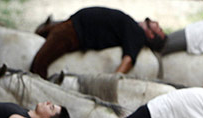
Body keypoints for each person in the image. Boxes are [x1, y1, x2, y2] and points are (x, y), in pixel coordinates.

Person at [31, 7, 167, 79]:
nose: (157, 23)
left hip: (73, 32)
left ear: (151, 35)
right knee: (38, 34)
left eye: (159, 29)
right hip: (72, 25)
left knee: (39, 64)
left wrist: (110, 80)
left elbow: (129, 59)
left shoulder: (137, 34)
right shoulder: (133, 29)